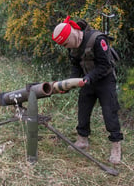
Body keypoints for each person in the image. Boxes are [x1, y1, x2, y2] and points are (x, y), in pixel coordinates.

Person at [52, 16, 123, 164]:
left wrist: (88, 78)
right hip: (87, 81)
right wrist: (69, 84)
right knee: (83, 110)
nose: (66, 47)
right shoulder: (72, 47)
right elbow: (76, 66)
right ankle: (82, 140)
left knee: (110, 113)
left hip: (105, 80)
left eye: (66, 43)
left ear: (72, 35)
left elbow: (105, 66)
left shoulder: (97, 39)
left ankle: (116, 147)